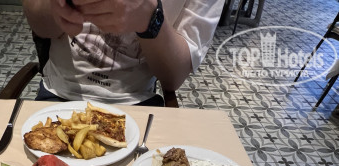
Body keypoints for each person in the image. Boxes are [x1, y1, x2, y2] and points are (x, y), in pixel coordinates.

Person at [22, 0, 225, 106]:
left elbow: (173, 78)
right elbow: (41, 27)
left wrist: (150, 19)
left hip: (137, 102)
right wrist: (54, 7)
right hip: (58, 94)